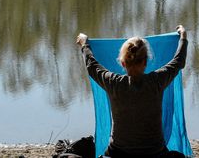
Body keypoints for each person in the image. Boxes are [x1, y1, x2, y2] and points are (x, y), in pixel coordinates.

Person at [76, 25, 189, 158]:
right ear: (146, 62)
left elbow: (92, 66)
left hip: (117, 154)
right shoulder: (156, 81)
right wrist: (183, 37)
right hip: (155, 153)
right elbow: (178, 61)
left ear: (123, 63)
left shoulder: (113, 82)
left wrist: (84, 44)